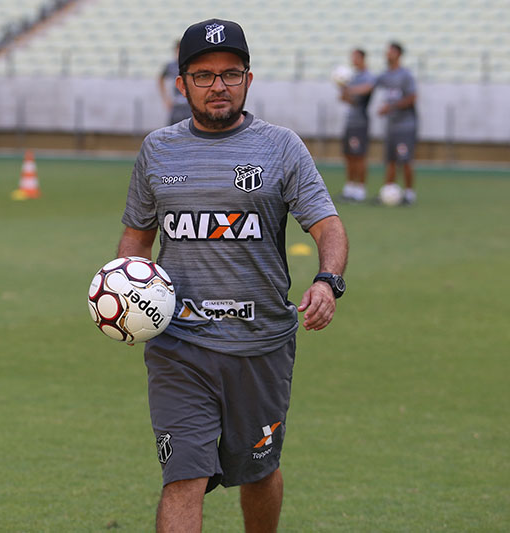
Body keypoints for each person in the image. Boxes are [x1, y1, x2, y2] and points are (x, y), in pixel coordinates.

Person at [118, 19, 349, 532]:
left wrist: (326, 280)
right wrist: (129, 299)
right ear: (182, 84)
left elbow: (328, 226)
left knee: (258, 471)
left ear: (248, 79)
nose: (217, 85)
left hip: (260, 343)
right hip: (179, 343)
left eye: (230, 73)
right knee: (183, 477)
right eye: (203, 75)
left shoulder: (282, 147)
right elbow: (137, 238)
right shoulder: (157, 150)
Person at [345, 42, 418, 204]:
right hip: (391, 126)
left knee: (405, 159)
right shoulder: (384, 76)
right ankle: (389, 190)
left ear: (398, 54)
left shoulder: (405, 75)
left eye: (390, 51)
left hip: (405, 125)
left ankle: (409, 193)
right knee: (390, 160)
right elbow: (370, 86)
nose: (387, 54)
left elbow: (412, 98)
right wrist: (348, 88)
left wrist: (391, 107)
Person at [337, 48, 376, 203]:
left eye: (355, 57)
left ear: (362, 58)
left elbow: (368, 89)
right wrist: (342, 88)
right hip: (350, 121)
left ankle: (360, 188)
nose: (353, 60)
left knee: (359, 155)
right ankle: (350, 187)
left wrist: (349, 89)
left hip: (360, 122)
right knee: (349, 155)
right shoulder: (352, 76)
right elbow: (346, 99)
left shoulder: (367, 76)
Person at [158, 41, 192, 125]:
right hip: (176, 105)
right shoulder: (171, 66)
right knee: (173, 132)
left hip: (190, 104)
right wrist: (165, 98)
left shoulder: (191, 65)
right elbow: (160, 78)